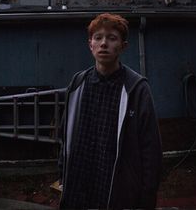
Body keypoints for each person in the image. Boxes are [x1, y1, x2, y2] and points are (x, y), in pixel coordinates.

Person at [58, 13, 162, 209]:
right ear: (90, 44)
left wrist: (147, 196)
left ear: (123, 46)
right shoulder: (78, 83)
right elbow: (65, 137)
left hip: (117, 191)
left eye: (112, 38)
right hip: (79, 189)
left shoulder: (136, 88)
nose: (103, 43)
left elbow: (151, 149)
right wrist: (63, 175)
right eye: (98, 37)